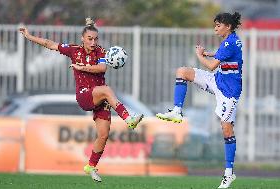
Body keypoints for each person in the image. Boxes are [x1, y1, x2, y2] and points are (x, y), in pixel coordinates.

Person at [19, 18, 144, 182]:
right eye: (90, 39)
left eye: (95, 39)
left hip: (100, 97)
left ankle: (91, 166)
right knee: (106, 90)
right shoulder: (74, 50)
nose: (93, 42)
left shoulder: (101, 52)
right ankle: (129, 119)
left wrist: (81, 67)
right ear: (82, 38)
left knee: (103, 135)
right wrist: (29, 37)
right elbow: (50, 44)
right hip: (85, 96)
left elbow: (102, 68)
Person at [156, 12, 242, 188]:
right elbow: (221, 57)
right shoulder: (230, 40)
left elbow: (211, 65)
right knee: (183, 72)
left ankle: (228, 173)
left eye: (218, 25)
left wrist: (199, 55)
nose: (215, 28)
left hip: (229, 91)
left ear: (228, 26)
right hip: (218, 81)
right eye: (215, 25)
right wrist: (209, 53)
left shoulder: (230, 42)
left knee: (227, 130)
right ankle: (177, 111)